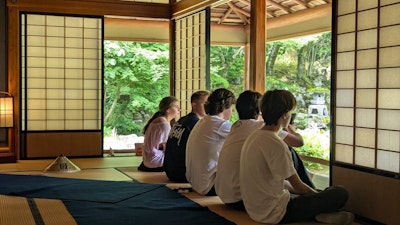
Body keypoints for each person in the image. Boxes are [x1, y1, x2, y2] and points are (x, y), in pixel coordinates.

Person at [240, 89, 354, 224]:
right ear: (284, 115)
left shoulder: (254, 136)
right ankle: (322, 214)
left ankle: (321, 215)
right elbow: (299, 187)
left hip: (253, 209)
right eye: (290, 113)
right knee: (339, 193)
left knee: (311, 195)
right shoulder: (276, 143)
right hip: (275, 212)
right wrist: (319, 197)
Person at [215, 90, 311, 211]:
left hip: (225, 195)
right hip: (244, 199)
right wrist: (290, 129)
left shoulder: (235, 126)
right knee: (290, 150)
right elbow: (299, 142)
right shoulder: (260, 129)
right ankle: (310, 190)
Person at [185, 88, 236, 196]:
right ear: (225, 107)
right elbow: (251, 138)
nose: (233, 111)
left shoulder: (202, 121)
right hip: (209, 185)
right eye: (232, 107)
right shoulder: (220, 124)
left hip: (195, 183)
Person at [164, 90, 210, 182]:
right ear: (194, 105)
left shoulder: (182, 120)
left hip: (170, 170)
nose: (207, 106)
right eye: (204, 103)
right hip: (183, 173)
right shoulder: (195, 124)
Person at [138, 96, 180, 172]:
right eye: (176, 106)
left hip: (148, 160)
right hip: (156, 161)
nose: (179, 109)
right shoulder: (163, 123)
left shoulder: (160, 120)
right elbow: (168, 146)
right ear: (167, 109)